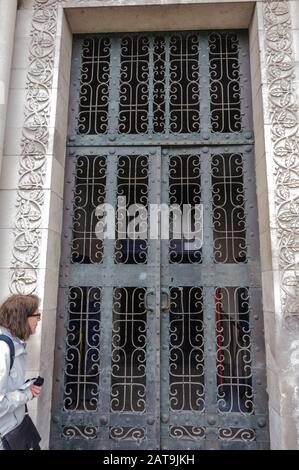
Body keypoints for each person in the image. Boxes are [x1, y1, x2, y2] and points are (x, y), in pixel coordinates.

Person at [0, 294, 42, 450]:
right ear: (23, 317)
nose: (38, 320)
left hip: (12, 430)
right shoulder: (3, 348)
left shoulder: (16, 344)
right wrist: (26, 394)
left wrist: (25, 387)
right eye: (37, 315)